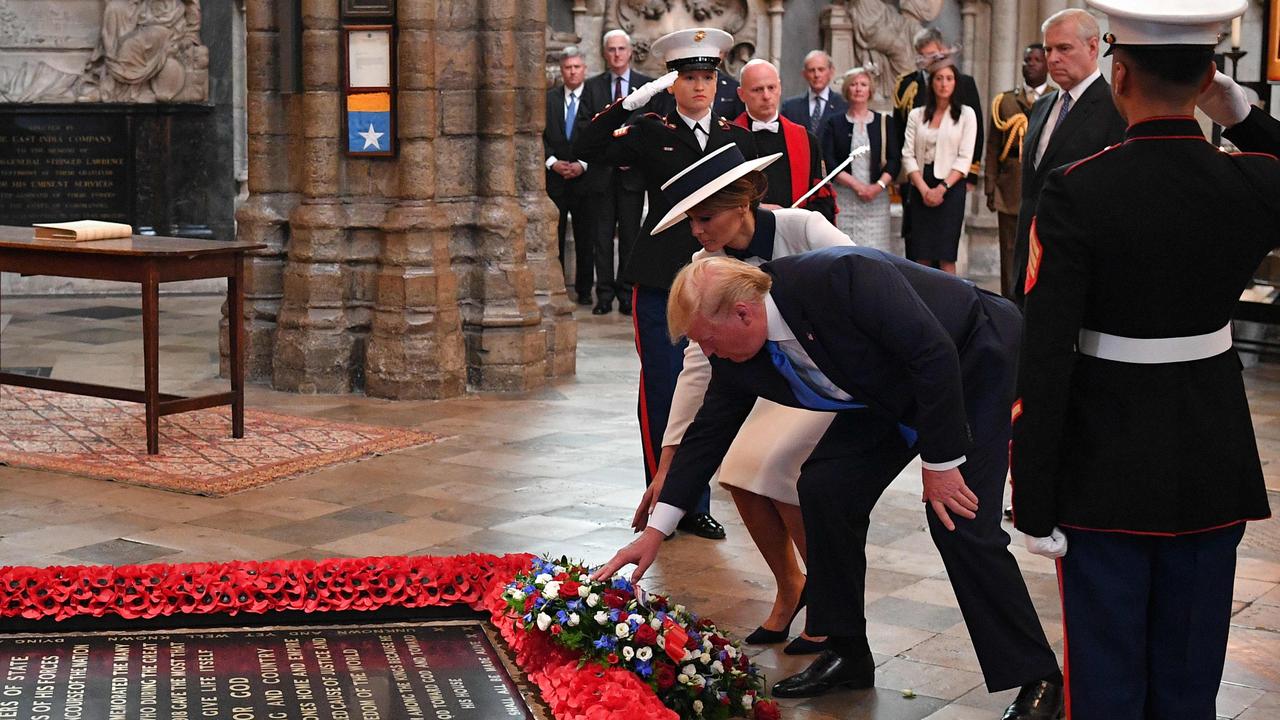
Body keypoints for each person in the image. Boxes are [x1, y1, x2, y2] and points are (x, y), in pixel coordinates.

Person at [595, 248, 1063, 717]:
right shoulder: (739, 354)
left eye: (709, 340)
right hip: (888, 385)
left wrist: (941, 463)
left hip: (970, 358)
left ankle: (1037, 677)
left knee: (958, 520)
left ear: (743, 311)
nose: (710, 353)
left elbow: (931, 351)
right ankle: (847, 651)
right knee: (826, 487)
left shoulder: (841, 277)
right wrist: (657, 531)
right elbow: (709, 431)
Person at [1012, 1, 1278, 717]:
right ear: (1206, 79)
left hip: (1106, 464)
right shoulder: (1251, 179)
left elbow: (1046, 352)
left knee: (1106, 677)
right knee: (1189, 679)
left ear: (1118, 73)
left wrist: (1033, 497)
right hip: (1211, 457)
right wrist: (1240, 109)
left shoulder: (1078, 189)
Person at [649, 144, 845, 656]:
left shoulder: (806, 230)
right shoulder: (706, 265)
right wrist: (669, 460)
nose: (697, 230)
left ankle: (831, 599)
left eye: (704, 217)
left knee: (781, 471)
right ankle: (792, 585)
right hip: (779, 387)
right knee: (737, 471)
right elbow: (700, 364)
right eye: (692, 220)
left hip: (837, 382)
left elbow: (864, 293)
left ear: (741, 206)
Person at [574, 27, 757, 541]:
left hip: (720, 280)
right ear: (672, 84)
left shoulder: (733, 137)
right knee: (663, 386)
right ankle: (663, 500)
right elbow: (586, 146)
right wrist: (629, 104)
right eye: (688, 78)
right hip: (662, 279)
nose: (700, 87)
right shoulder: (652, 131)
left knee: (713, 392)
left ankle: (693, 500)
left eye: (707, 77)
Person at [1010, 8, 1125, 306]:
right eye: (1048, 49)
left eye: (1063, 48)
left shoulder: (1116, 107)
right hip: (1028, 256)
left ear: (1092, 47)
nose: (1052, 58)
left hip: (1076, 263)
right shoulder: (1043, 105)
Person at [578, 29, 654, 315]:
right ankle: (605, 295)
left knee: (631, 236)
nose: (617, 54)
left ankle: (626, 294)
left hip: (632, 176)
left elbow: (649, 126)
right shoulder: (593, 87)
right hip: (602, 174)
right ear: (604, 53)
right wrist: (613, 154)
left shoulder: (645, 86)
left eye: (621, 49)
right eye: (611, 49)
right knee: (602, 236)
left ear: (630, 52)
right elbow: (587, 129)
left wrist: (630, 154)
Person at [891, 29, 984, 251]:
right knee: (915, 240)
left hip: (951, 173)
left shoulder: (963, 82)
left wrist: (970, 173)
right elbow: (898, 130)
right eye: (923, 56)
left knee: (944, 247)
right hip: (915, 174)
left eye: (933, 54)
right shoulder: (906, 84)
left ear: (943, 50)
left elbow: (976, 132)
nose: (928, 61)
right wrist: (899, 172)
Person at [731, 59, 835, 223]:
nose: (766, 96)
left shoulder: (806, 140)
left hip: (795, 237)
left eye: (771, 88)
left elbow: (823, 202)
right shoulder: (728, 140)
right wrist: (756, 209)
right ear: (741, 94)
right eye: (757, 90)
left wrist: (793, 218)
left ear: (780, 88)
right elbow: (719, 200)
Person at [984, 44, 1050, 299]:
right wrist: (990, 186)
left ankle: (1034, 301)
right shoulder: (1005, 101)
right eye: (1026, 60)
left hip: (1043, 184)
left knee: (1040, 247)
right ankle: (1008, 302)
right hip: (1010, 184)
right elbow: (992, 146)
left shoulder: (1057, 99)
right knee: (1009, 249)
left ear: (1046, 65)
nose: (1031, 64)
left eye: (1036, 59)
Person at [900, 56, 976, 274]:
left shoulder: (966, 115)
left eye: (949, 79)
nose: (944, 84)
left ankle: (949, 305)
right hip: (921, 185)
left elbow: (965, 158)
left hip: (950, 187)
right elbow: (908, 154)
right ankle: (921, 305)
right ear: (931, 82)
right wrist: (924, 189)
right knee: (921, 255)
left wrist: (942, 188)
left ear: (955, 82)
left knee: (946, 255)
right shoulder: (917, 114)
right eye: (939, 79)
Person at [821, 65, 899, 252]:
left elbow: (894, 159)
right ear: (847, 88)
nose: (858, 88)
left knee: (875, 253)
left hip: (876, 199)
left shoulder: (884, 122)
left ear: (870, 90)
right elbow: (830, 161)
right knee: (845, 249)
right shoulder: (834, 122)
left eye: (863, 84)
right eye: (854, 84)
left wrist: (877, 186)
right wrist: (856, 186)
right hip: (845, 199)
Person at [543, 47, 597, 306]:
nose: (573, 71)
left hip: (586, 181)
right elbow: (539, 136)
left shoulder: (594, 99)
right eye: (568, 67)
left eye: (577, 67)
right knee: (554, 235)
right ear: (561, 70)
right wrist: (552, 162)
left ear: (584, 69)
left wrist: (583, 165)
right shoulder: (549, 99)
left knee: (586, 237)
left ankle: (585, 291)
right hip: (555, 179)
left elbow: (602, 137)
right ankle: (557, 287)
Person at [781, 50, 848, 141]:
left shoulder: (844, 105)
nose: (816, 75)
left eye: (821, 69)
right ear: (804, 74)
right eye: (812, 70)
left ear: (831, 72)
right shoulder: (790, 107)